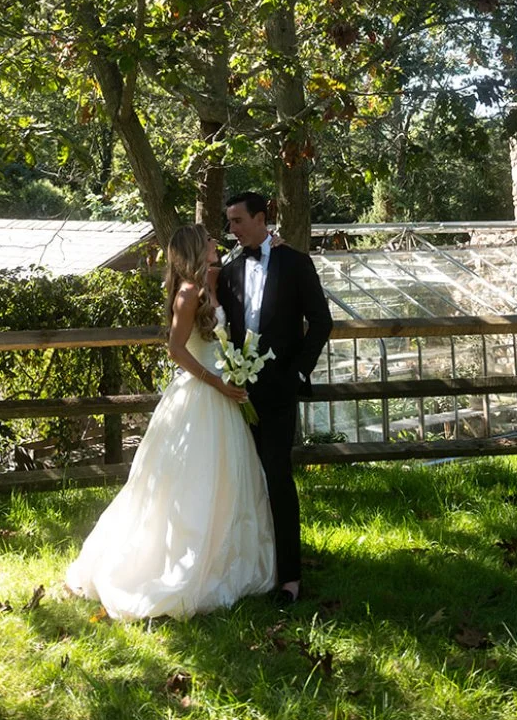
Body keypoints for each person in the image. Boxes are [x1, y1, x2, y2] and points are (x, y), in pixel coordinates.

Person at [64, 222, 276, 620]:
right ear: (198, 248)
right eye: (211, 238)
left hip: (224, 393)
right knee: (190, 482)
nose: (217, 241)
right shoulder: (187, 293)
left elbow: (244, 260)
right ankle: (177, 564)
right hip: (200, 395)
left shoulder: (209, 282)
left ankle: (227, 556)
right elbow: (177, 350)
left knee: (230, 478)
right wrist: (217, 381)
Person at [219, 191, 334, 608]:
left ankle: (289, 577)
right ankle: (247, 567)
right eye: (229, 222)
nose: (231, 229)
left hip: (279, 393)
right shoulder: (228, 270)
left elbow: (321, 322)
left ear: (260, 218)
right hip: (233, 396)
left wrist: (298, 374)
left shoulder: (296, 263)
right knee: (239, 481)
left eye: (237, 221)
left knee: (278, 478)